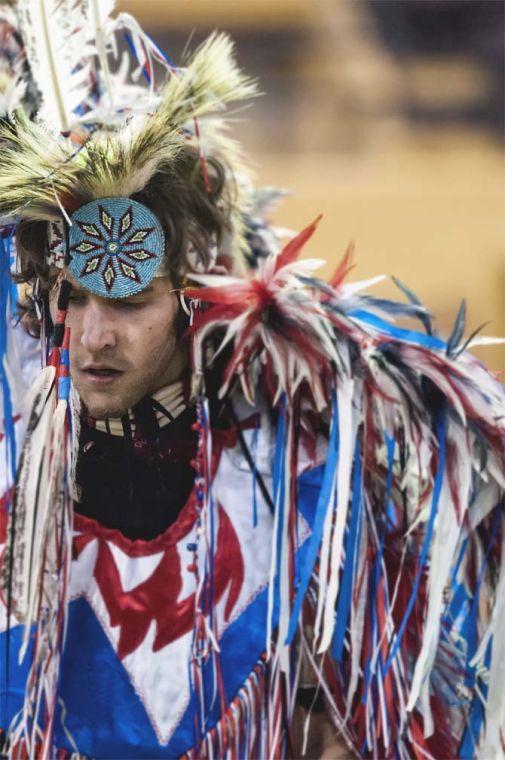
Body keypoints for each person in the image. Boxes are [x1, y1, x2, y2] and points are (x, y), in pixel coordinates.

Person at [0, 7, 503, 759]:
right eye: (74, 297)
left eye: (131, 303)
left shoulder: (301, 478)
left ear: (190, 302)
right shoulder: (19, 461)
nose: (94, 332)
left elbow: (357, 725)